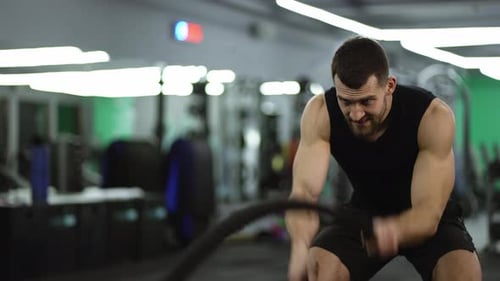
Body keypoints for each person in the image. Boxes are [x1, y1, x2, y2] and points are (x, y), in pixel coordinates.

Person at [285, 36, 482, 281]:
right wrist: (300, 247)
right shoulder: (320, 112)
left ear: (389, 85)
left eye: (366, 101)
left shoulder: (431, 116)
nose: (355, 114)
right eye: (345, 101)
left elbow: (428, 214)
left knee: (463, 275)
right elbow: (304, 194)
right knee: (319, 270)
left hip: (427, 215)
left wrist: (395, 231)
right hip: (365, 211)